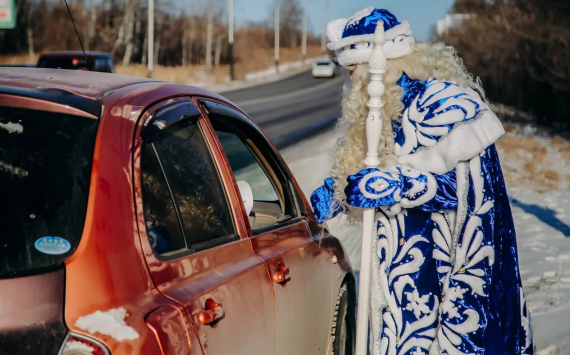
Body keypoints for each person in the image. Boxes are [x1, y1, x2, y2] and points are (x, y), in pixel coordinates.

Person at [311, 7, 533, 355]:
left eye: (352, 69)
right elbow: (375, 183)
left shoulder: (448, 106)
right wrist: (343, 192)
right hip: (398, 287)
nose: (349, 80)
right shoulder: (382, 113)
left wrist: (397, 186)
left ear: (377, 60)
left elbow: (472, 194)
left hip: (444, 278)